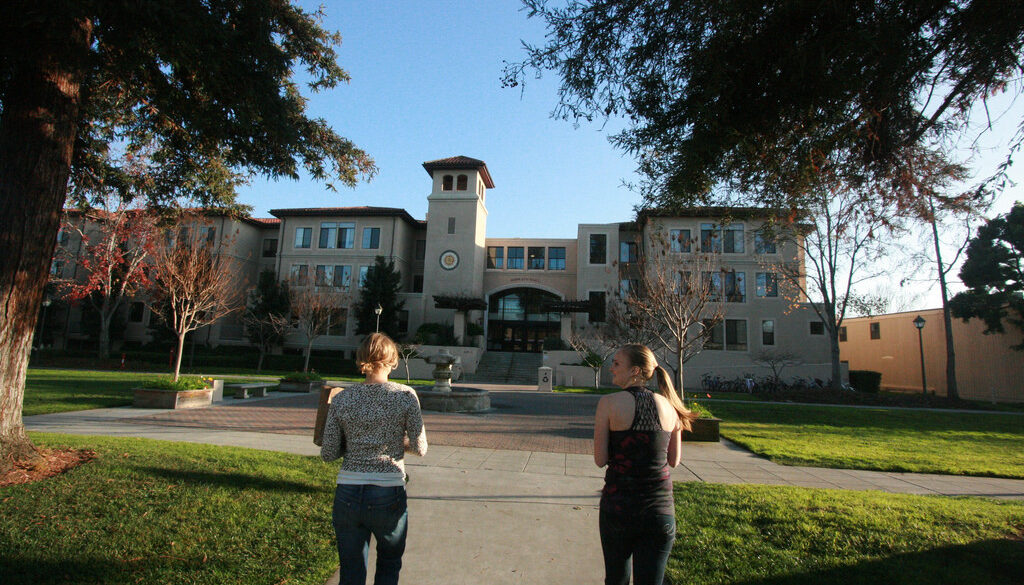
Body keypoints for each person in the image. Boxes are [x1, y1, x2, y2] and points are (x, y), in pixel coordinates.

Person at [321, 333, 428, 585]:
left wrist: (354, 442)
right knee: (389, 567)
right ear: (392, 361)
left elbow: (328, 453)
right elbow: (420, 447)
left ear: (361, 360)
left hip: (348, 490)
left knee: (351, 571)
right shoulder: (405, 396)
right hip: (388, 490)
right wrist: (397, 442)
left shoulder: (342, 398)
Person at [593, 344, 699, 585]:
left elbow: (600, 460)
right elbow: (674, 460)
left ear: (636, 371)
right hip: (659, 513)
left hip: (618, 510)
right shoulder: (670, 406)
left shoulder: (608, 403)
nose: (611, 369)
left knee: (616, 578)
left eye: (617, 363)